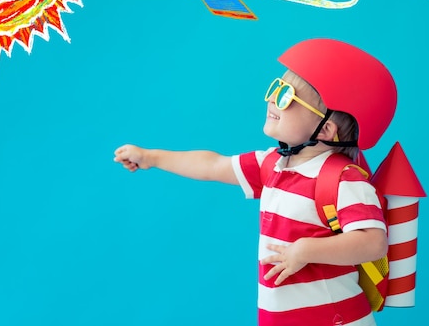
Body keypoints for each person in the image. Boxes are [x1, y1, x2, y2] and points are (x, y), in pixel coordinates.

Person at [114, 38, 398, 326]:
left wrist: (307, 250)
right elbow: (213, 165)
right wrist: (151, 157)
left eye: (286, 96)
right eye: (276, 87)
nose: (272, 99)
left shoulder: (343, 179)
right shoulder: (272, 164)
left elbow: (373, 243)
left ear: (325, 129)